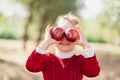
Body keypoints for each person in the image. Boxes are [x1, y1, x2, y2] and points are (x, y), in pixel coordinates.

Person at [26, 13, 100, 80]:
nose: (64, 38)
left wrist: (85, 44)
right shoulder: (48, 60)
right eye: (59, 32)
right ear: (52, 35)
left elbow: (93, 73)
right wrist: (46, 42)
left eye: (71, 33)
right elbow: (31, 67)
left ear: (78, 36)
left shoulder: (80, 61)